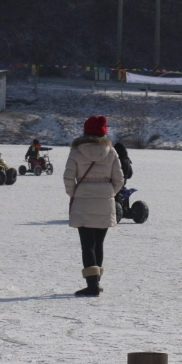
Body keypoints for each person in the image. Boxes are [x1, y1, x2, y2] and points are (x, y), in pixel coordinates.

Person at [63, 115, 124, 297]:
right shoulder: (111, 151)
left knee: (87, 244)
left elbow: (68, 177)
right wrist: (108, 192)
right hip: (105, 201)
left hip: (83, 200)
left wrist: (74, 193)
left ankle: (91, 286)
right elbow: (119, 180)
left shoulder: (76, 150)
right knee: (99, 243)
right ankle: (96, 282)